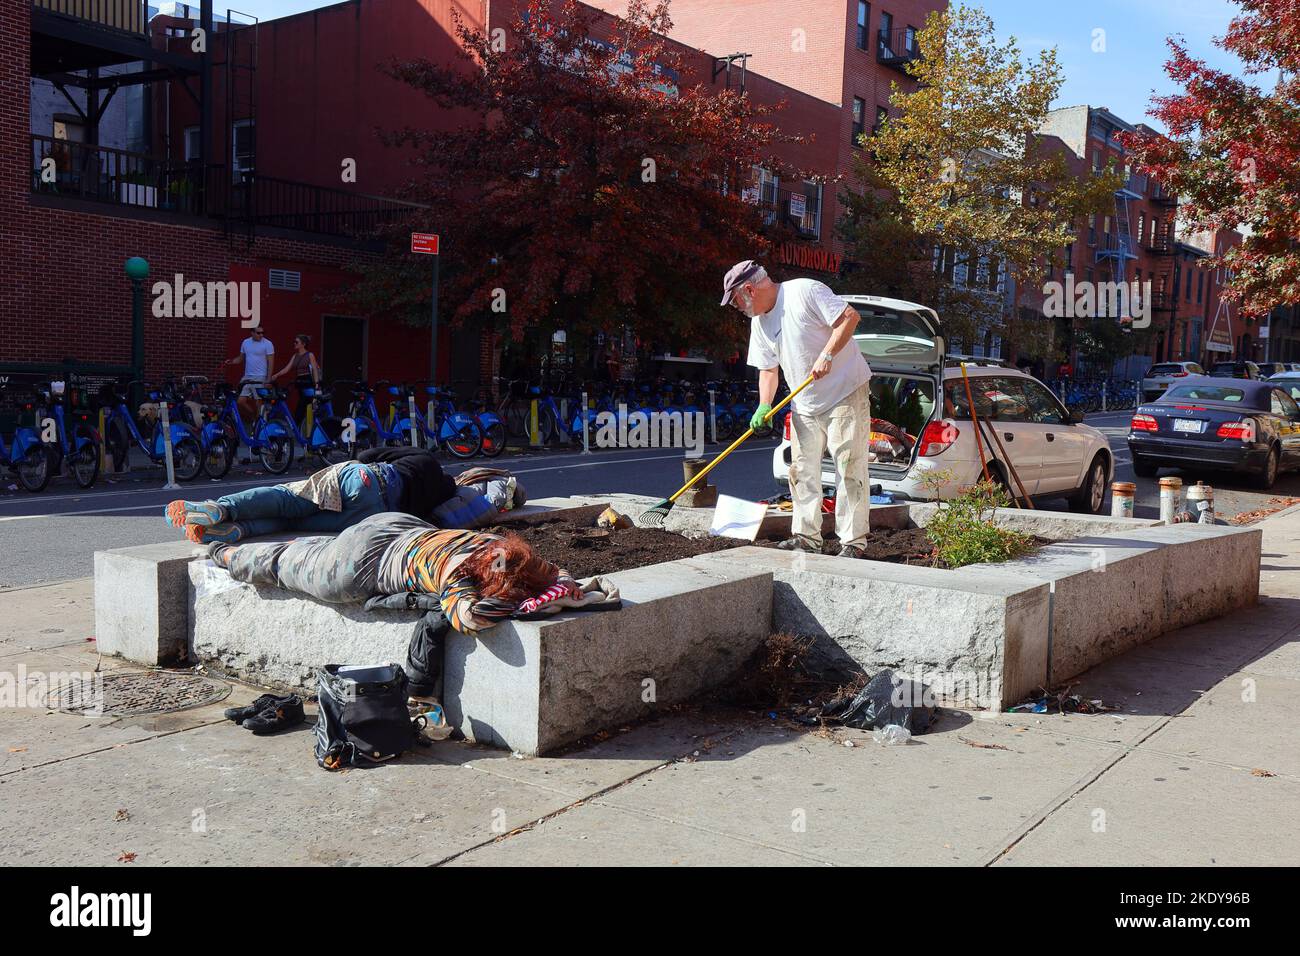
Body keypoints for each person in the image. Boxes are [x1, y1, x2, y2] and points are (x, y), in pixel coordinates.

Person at [721, 260, 873, 557]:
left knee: (849, 467)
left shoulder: (804, 291)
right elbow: (768, 370)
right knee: (801, 470)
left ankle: (853, 543)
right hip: (805, 402)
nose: (737, 308)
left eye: (737, 300)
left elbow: (849, 318)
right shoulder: (759, 323)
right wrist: (764, 405)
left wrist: (827, 354)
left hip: (845, 391)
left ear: (749, 289)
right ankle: (807, 537)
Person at [207, 514, 569, 635]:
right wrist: (524, 601)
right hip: (361, 568)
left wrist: (557, 586)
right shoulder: (454, 574)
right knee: (285, 566)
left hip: (396, 525)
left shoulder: (496, 546)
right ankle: (226, 554)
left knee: (307, 554)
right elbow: (469, 617)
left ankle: (276, 541)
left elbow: (555, 573)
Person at [165, 446, 457, 543]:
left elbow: (367, 455)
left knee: (288, 499)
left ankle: (221, 509)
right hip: (373, 514)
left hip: (368, 479)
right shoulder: (436, 502)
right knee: (294, 523)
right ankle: (239, 530)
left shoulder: (425, 459)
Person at [224, 326, 275, 424]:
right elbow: (240, 358)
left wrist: (268, 379)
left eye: (262, 332)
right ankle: (253, 416)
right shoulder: (245, 342)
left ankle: (259, 425)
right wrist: (231, 361)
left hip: (261, 377)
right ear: (252, 332)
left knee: (258, 402)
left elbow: (271, 362)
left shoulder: (268, 344)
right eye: (258, 333)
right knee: (240, 401)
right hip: (247, 377)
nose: (261, 335)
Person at [272, 333, 321, 426]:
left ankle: (302, 428)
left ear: (303, 344)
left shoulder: (310, 355)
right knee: (305, 406)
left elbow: (315, 370)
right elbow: (287, 368)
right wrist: (276, 375)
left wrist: (316, 385)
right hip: (300, 383)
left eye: (296, 342)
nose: (294, 343)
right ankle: (303, 429)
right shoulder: (295, 356)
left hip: (308, 382)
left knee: (305, 407)